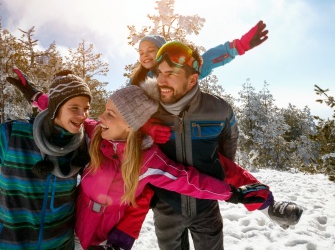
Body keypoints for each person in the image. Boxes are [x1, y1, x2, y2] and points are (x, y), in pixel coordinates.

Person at [73, 78, 268, 249]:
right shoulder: (97, 132)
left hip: (106, 236)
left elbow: (190, 180)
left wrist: (233, 194)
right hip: (72, 224)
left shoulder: (148, 161)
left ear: (130, 124)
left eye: (110, 113)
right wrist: (45, 98)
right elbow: (69, 114)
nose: (101, 117)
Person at [148, 40, 303, 250]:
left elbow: (227, 153)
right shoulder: (148, 109)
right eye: (160, 72)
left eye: (171, 74)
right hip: (166, 208)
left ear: (193, 79)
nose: (161, 80)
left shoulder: (218, 110)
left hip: (206, 208)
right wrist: (143, 126)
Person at [0, 70, 92, 250]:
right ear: (55, 108)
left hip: (60, 244)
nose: (83, 115)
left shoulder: (81, 145)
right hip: (13, 243)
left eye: (86, 108)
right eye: (74, 107)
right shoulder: (13, 134)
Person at [130, 20, 268, 85]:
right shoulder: (137, 79)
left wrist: (238, 46)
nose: (145, 55)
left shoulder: (178, 72)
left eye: (151, 50)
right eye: (141, 53)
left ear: (163, 53)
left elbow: (205, 61)